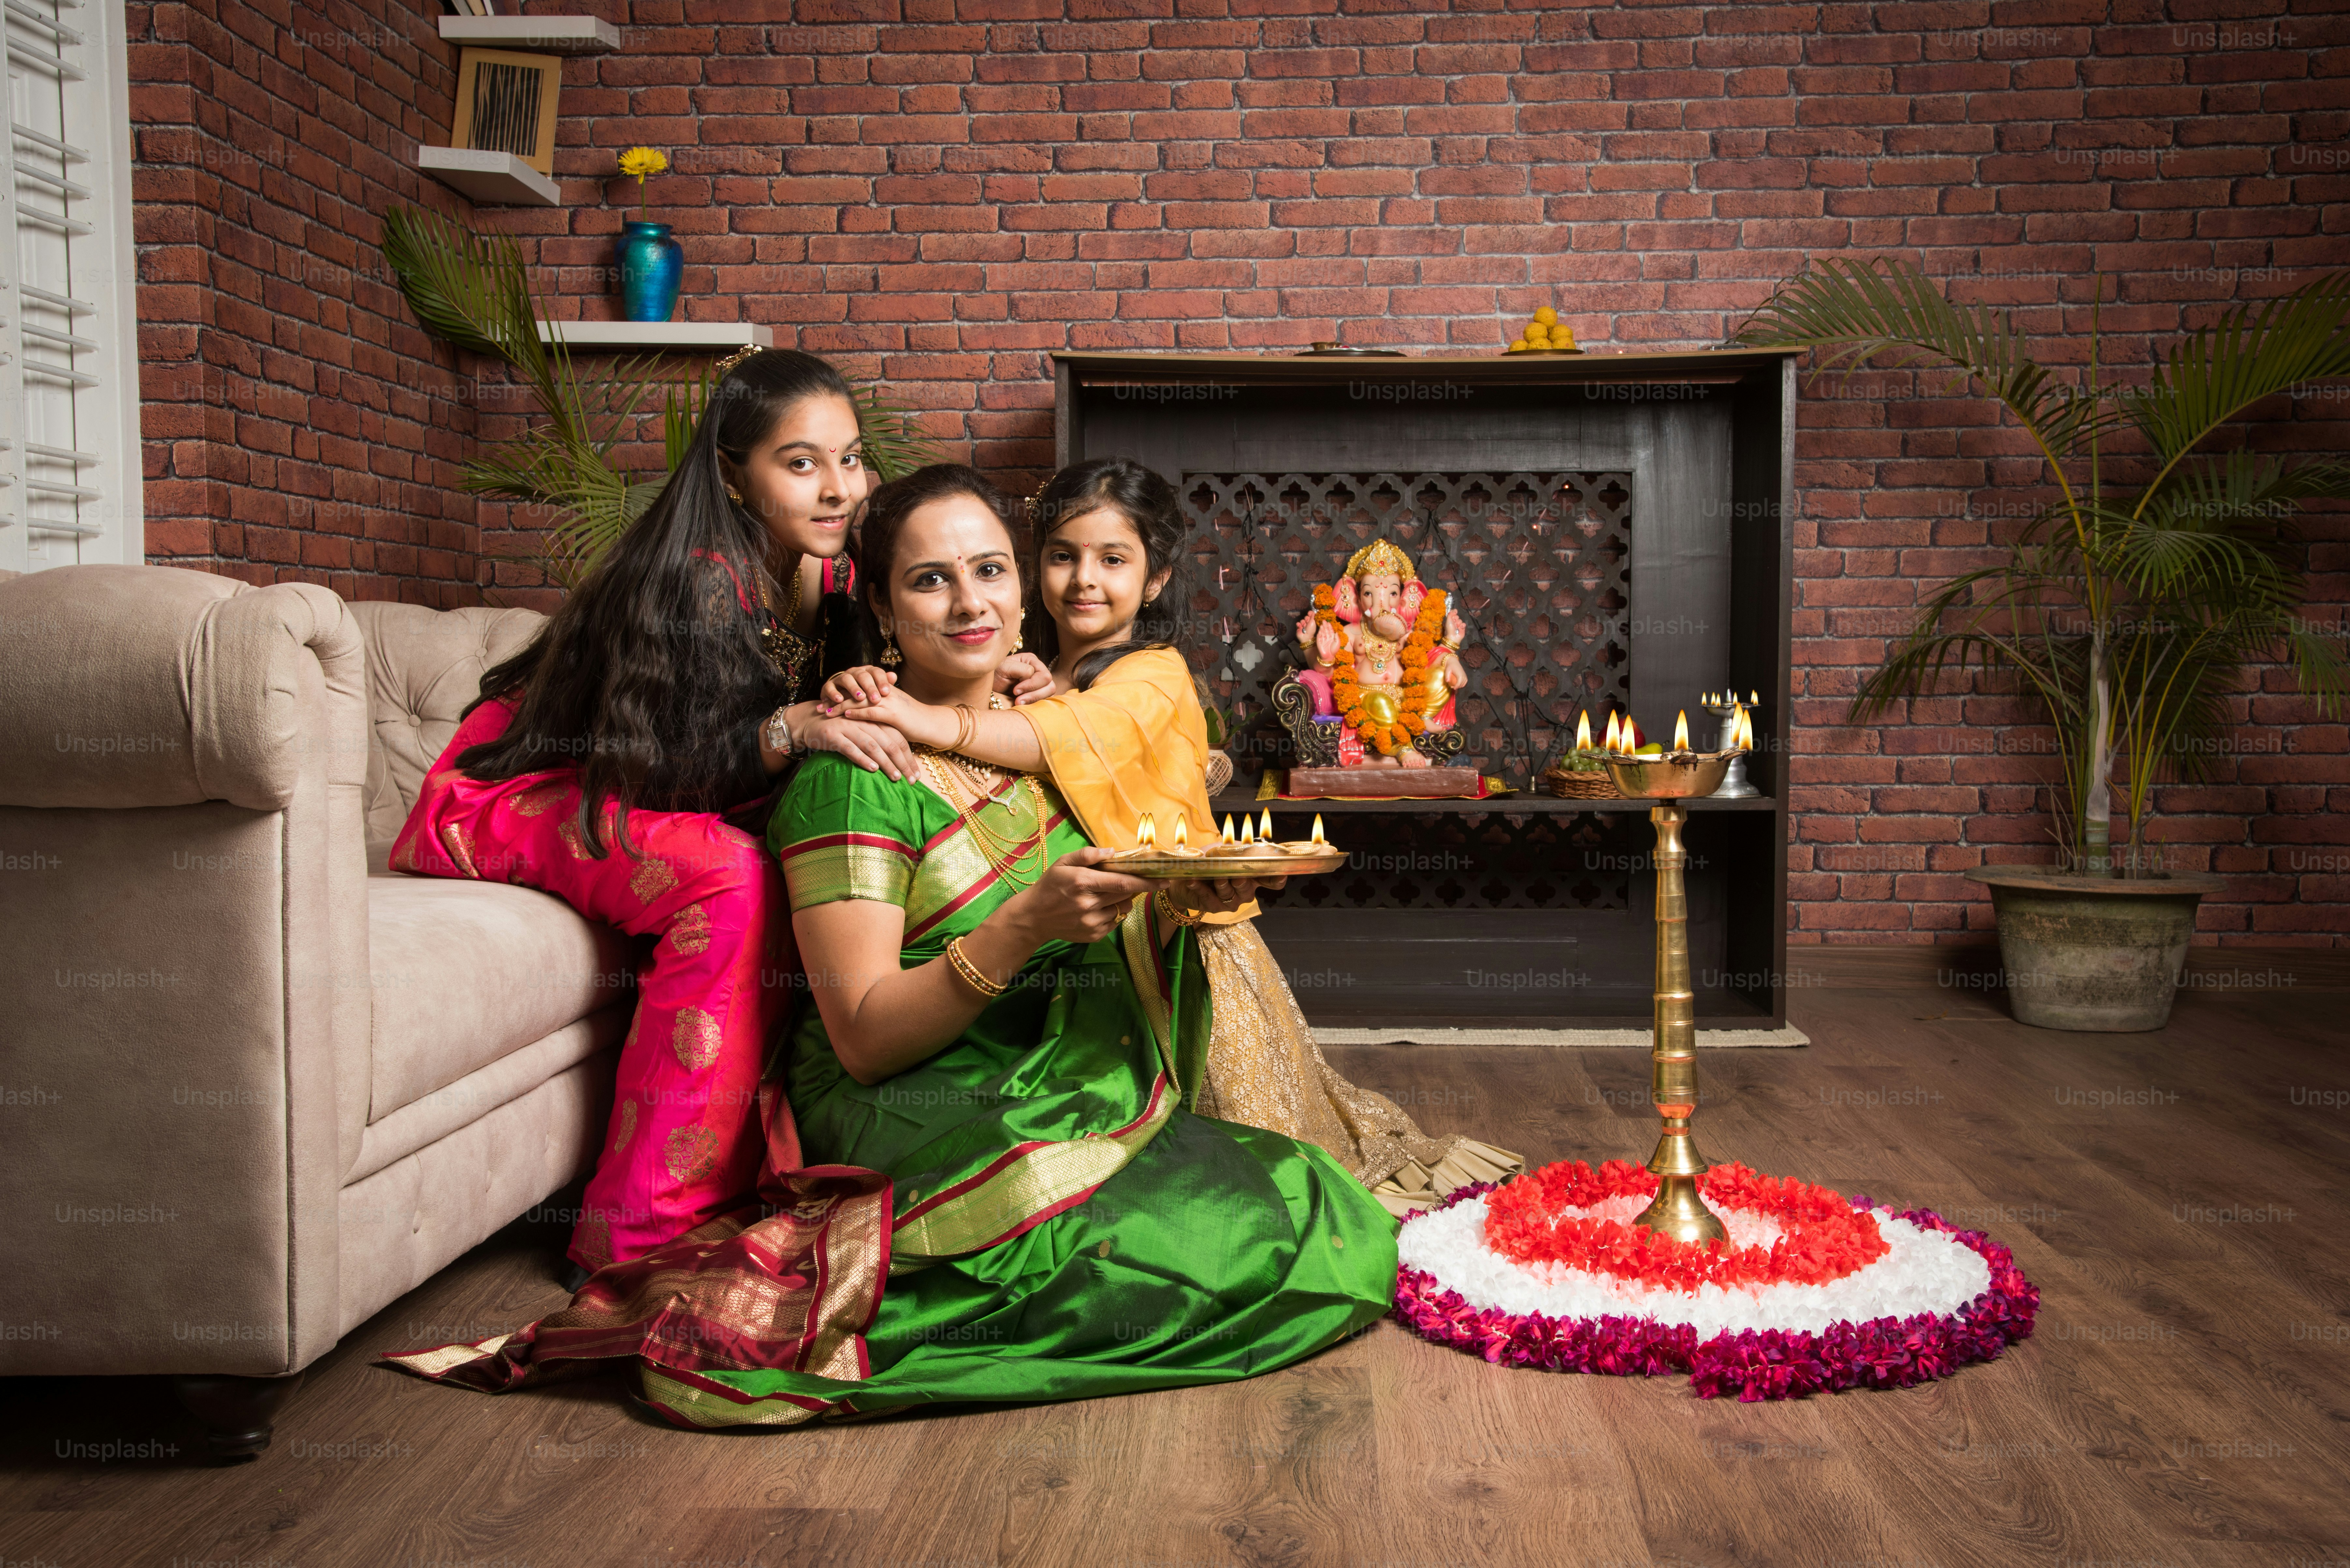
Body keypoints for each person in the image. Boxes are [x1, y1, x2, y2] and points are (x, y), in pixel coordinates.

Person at [383, 464, 1398, 1426]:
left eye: (991, 569)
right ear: (880, 609)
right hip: (906, 1104)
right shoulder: (859, 769)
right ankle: (926, 1282)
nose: (973, 604)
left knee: (1314, 1197)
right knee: (1263, 1245)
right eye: (931, 579)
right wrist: (1023, 927)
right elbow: (864, 1036)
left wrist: (1180, 900)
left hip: (1050, 1079)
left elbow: (1136, 864)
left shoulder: (1037, 732)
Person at [386, 350, 1045, 1277]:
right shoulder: (698, 578)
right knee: (727, 876)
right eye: (800, 462)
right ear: (736, 473)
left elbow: (889, 676)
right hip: (515, 795)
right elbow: (655, 776)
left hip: (656, 788)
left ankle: (767, 1174)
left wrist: (995, 680)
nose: (837, 488)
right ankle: (635, 1236)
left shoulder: (840, 573)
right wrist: (792, 724)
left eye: (850, 459)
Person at [818, 458, 1521, 1215]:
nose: (1085, 580)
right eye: (1062, 557)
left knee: (1257, 1167)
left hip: (1184, 953)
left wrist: (929, 719)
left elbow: (1073, 735)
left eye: (1114, 560)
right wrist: (834, 703)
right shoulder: (1031, 677)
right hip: (1087, 973)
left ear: (1155, 581)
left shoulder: (1148, 674)